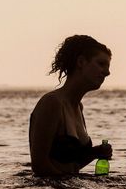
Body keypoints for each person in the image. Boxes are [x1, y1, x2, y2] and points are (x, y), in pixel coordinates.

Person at [29, 35, 113, 176]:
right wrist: (70, 185)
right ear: (81, 62)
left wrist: (95, 153)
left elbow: (72, 165)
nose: (107, 72)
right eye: (101, 64)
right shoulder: (52, 103)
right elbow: (39, 165)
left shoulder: (78, 107)